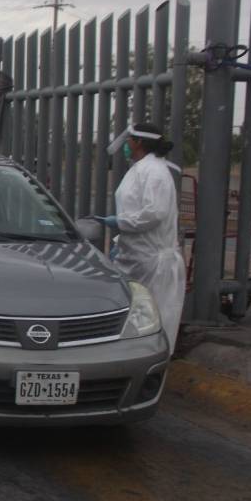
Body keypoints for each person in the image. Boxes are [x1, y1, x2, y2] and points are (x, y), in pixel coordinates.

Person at [93, 123, 186, 353]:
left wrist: (120, 222)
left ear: (139, 143)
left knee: (153, 321)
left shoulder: (155, 172)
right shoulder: (140, 168)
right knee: (135, 319)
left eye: (129, 140)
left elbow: (154, 213)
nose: (126, 144)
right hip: (136, 256)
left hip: (153, 263)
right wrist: (119, 242)